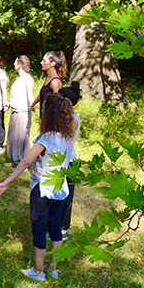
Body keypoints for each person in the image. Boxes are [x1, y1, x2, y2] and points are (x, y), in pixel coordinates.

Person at [0, 92, 81, 281]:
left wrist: (6, 182)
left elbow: (26, 162)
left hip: (42, 189)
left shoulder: (45, 138)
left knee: (39, 228)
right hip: (60, 189)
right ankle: (53, 267)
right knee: (55, 226)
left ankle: (38, 271)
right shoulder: (69, 137)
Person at [57, 82, 82, 240]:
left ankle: (63, 228)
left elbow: (64, 141)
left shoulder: (73, 119)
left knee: (66, 196)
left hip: (68, 162)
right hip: (60, 161)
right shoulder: (62, 118)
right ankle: (54, 225)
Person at [6, 55, 35, 165]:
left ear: (19, 65)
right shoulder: (18, 78)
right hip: (15, 110)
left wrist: (33, 105)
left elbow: (30, 95)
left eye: (15, 62)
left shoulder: (27, 78)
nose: (14, 64)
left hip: (23, 112)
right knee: (14, 136)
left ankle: (22, 162)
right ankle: (14, 160)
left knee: (21, 137)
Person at [31, 50, 67, 116]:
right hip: (44, 119)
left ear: (53, 63)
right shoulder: (48, 79)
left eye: (44, 61)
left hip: (51, 120)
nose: (41, 63)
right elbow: (43, 93)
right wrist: (34, 103)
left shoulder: (55, 82)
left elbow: (58, 103)